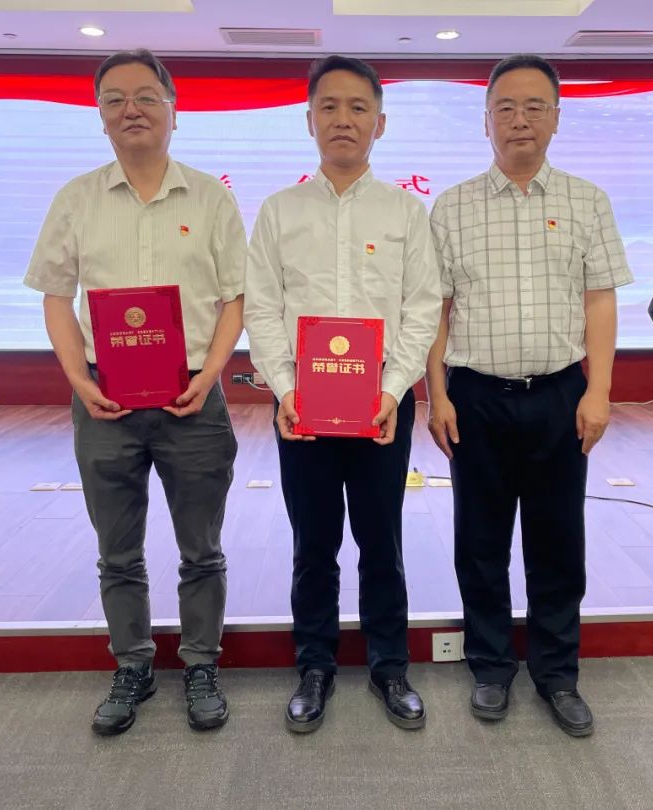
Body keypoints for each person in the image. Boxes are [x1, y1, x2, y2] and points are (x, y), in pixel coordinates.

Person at [23, 49, 246, 735]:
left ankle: (201, 664)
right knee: (117, 552)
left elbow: (235, 297)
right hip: (105, 404)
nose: (132, 109)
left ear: (173, 110)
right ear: (100, 116)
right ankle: (133, 666)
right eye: (115, 98)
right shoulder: (77, 199)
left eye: (146, 96)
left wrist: (210, 374)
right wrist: (79, 380)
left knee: (201, 549)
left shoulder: (210, 197)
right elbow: (56, 296)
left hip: (192, 401)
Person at [426, 54, 633, 737]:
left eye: (535, 106)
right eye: (506, 108)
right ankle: (490, 667)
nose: (520, 119)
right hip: (475, 397)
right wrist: (437, 395)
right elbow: (437, 311)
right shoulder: (451, 206)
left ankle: (557, 674)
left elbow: (599, 301)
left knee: (557, 541)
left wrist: (599, 391)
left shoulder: (587, 200)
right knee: (479, 541)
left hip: (559, 396)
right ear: (485, 121)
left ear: (556, 119)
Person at [244, 55, 441, 733]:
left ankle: (390, 667)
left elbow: (422, 307)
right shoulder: (280, 211)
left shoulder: (405, 212)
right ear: (309, 120)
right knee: (314, 544)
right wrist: (285, 388)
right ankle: (315, 666)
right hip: (301, 407)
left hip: (383, 405)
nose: (343, 119)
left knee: (382, 541)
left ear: (379, 123)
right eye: (329, 106)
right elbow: (262, 308)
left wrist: (392, 389)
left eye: (358, 107)